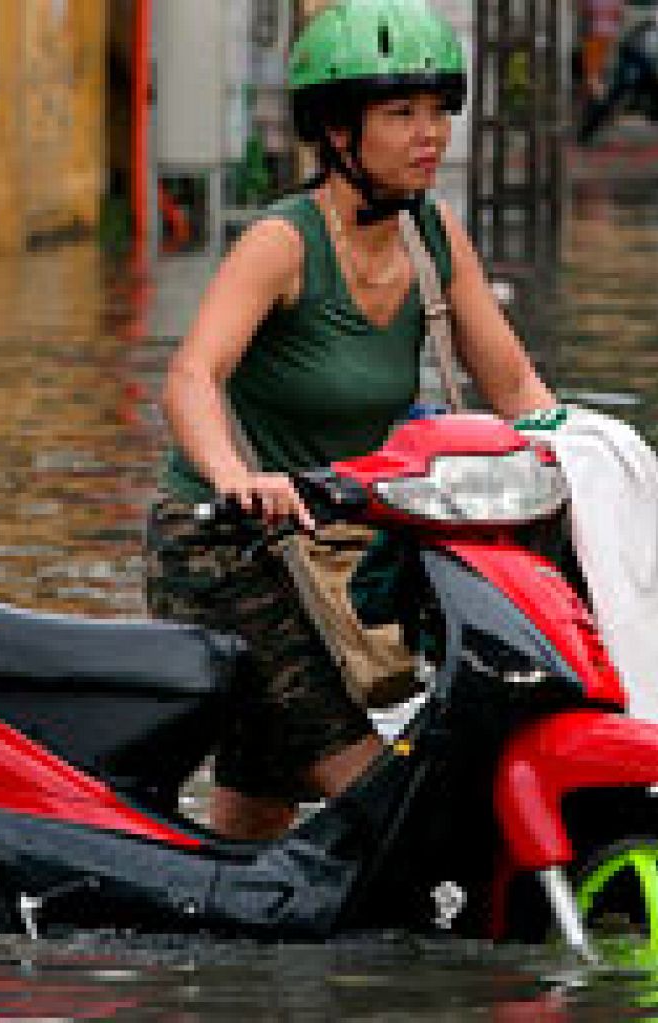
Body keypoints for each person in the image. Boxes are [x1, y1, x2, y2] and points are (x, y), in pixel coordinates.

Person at [145, 0, 558, 841]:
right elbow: (191, 376)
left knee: (260, 807)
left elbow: (516, 383)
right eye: (401, 112)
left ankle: (221, 926)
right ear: (337, 130)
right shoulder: (282, 243)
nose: (429, 133)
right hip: (227, 549)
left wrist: (587, 458)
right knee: (373, 786)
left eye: (439, 110)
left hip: (333, 552)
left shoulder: (431, 235)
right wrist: (235, 478)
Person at [581, 0, 624, 104]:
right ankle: (601, 93)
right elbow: (618, 14)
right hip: (608, 34)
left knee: (594, 69)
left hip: (595, 33)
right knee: (604, 67)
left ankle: (597, 93)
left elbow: (586, 11)